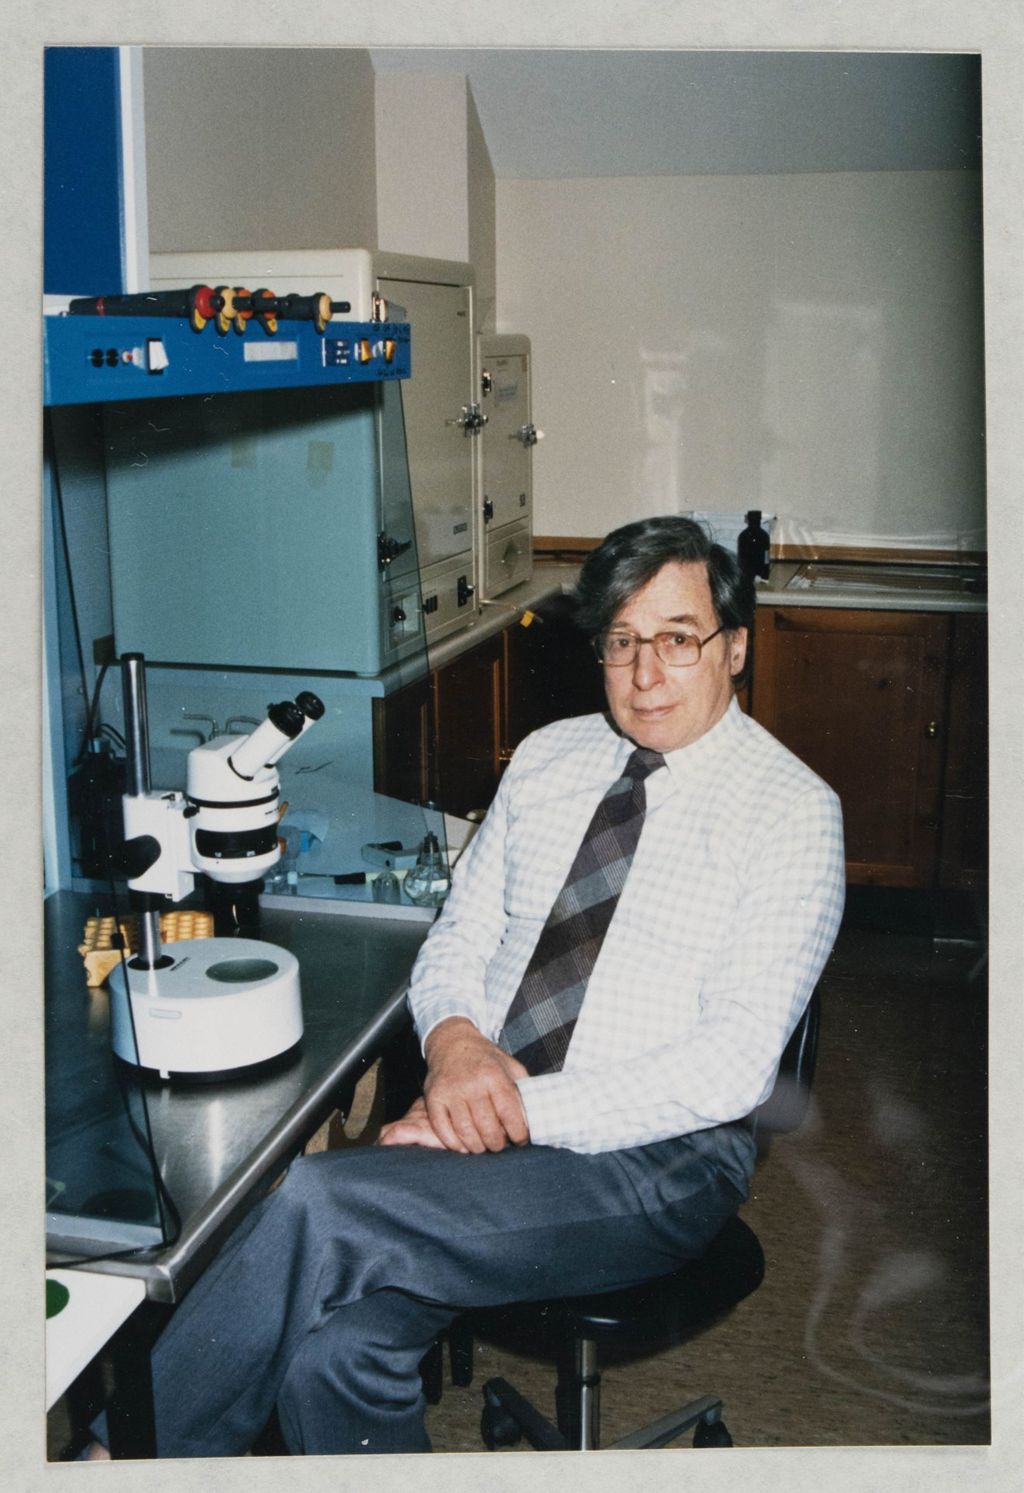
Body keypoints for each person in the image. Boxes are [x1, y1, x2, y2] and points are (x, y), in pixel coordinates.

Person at [86, 514, 844, 1459]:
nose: (646, 674)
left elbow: (729, 1070)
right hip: (486, 1110)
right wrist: (452, 1047)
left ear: (734, 649)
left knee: (316, 1200)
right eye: (622, 641)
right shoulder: (548, 758)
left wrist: (498, 1111)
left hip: (659, 1159)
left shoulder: (794, 814)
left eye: (678, 639)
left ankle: (118, 1461)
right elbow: (459, 936)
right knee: (335, 1350)